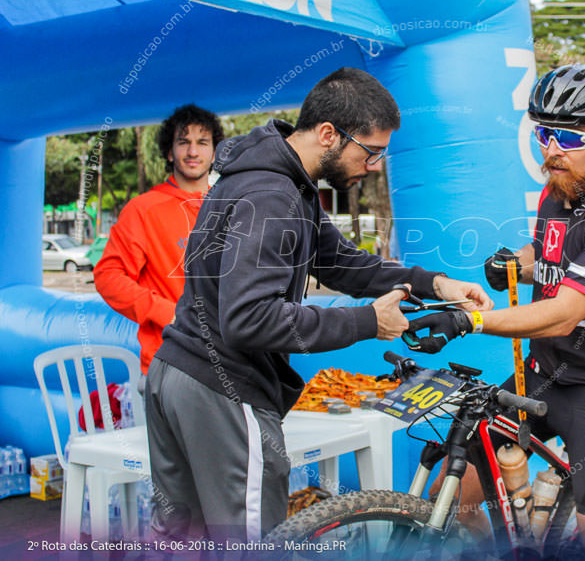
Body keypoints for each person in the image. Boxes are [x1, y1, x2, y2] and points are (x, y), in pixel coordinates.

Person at [145, 67, 493, 544]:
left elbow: (341, 263)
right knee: (250, 547)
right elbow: (249, 320)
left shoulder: (282, 183)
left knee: (182, 541)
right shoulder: (271, 194)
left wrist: (434, 283)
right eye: (370, 152)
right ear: (329, 134)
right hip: (221, 385)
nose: (372, 166)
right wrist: (368, 322)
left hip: (178, 373)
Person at [406, 64, 585, 549]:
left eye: (567, 137)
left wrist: (468, 320)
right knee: (450, 497)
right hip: (544, 372)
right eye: (543, 134)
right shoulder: (555, 195)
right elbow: (548, 253)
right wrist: (514, 263)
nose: (551, 150)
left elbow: (565, 310)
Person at [94, 104, 224, 384]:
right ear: (169, 151)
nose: (192, 152)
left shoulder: (231, 208)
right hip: (170, 366)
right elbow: (108, 277)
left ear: (214, 152)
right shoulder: (144, 209)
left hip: (231, 367)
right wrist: (166, 312)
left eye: (202, 142)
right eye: (183, 142)